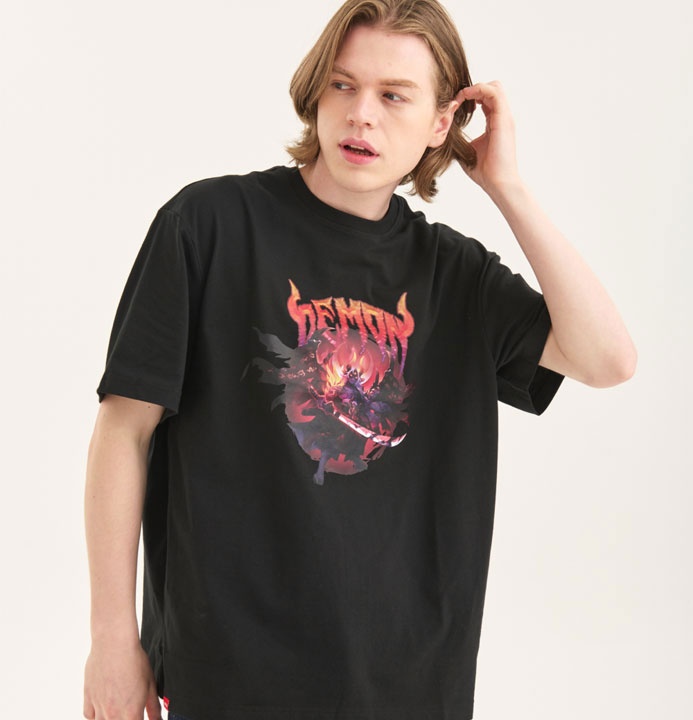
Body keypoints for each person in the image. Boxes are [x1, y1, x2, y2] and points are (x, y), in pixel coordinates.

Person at [83, 1, 636, 719]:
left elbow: (606, 359)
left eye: (394, 95)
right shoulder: (208, 226)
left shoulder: (455, 276)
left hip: (410, 688)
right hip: (228, 681)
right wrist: (111, 639)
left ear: (442, 123)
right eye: (343, 85)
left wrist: (509, 188)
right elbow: (123, 431)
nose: (360, 114)